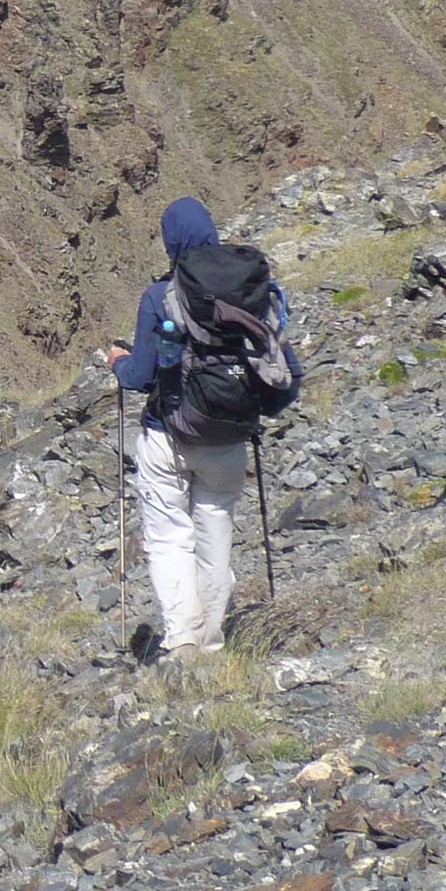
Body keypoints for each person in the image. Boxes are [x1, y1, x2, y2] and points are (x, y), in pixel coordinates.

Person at [107, 198, 301, 663]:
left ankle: (183, 640)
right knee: (215, 538)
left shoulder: (161, 295)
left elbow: (140, 377)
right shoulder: (252, 289)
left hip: (169, 435)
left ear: (171, 240)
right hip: (229, 437)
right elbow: (287, 375)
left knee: (169, 538)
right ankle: (214, 643)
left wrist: (117, 362)